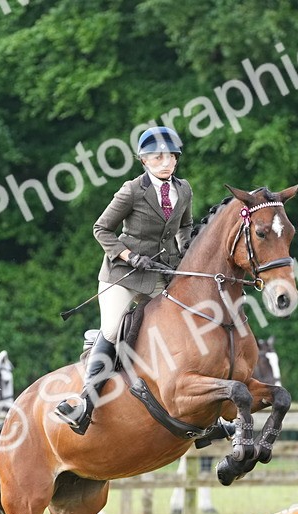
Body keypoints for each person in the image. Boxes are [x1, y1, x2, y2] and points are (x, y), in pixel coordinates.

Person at [55, 125, 194, 435]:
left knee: (185, 323)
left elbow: (186, 227)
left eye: (171, 156)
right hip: (123, 275)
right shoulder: (131, 189)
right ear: (144, 160)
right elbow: (101, 229)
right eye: (158, 157)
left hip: (160, 272)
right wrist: (129, 256)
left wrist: (187, 248)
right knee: (113, 327)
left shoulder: (183, 189)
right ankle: (84, 404)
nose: (166, 162)